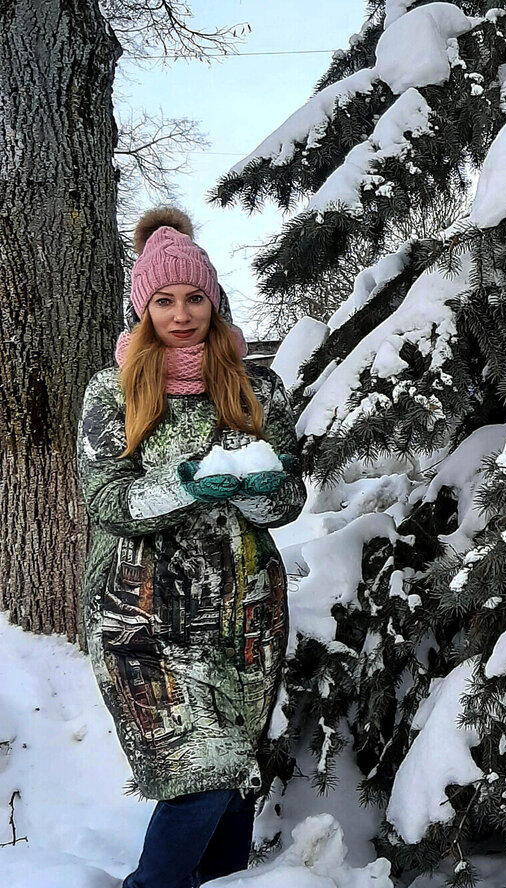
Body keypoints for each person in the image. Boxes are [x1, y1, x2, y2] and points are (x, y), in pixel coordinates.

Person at [75, 207, 306, 888]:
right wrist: (192, 484)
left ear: (214, 298)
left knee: (233, 779)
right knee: (198, 776)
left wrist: (255, 489)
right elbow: (107, 502)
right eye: (164, 301)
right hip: (140, 618)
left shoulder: (257, 386)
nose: (181, 314)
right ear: (143, 308)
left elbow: (286, 502)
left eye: (194, 297)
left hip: (245, 618)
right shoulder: (111, 390)